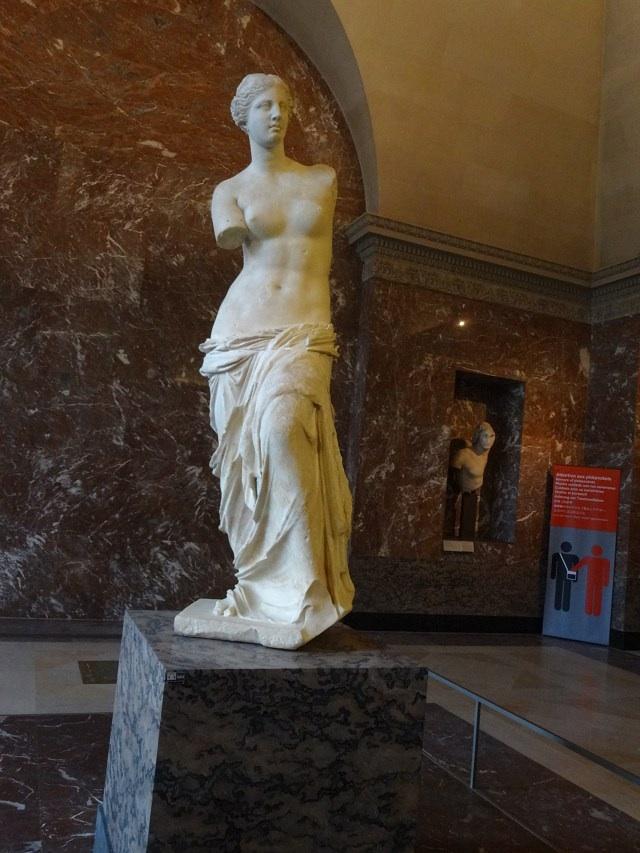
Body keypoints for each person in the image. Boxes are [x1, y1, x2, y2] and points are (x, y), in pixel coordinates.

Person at [183, 73, 354, 644]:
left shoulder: (321, 179)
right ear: (243, 116)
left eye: (283, 104)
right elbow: (230, 237)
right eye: (263, 106)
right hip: (241, 335)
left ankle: (305, 589)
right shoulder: (228, 191)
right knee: (246, 464)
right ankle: (268, 586)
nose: (276, 114)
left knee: (283, 430)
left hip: (303, 333)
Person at [451, 421, 495, 539]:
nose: (489, 440)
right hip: (464, 492)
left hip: (475, 494)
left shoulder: (485, 454)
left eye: (492, 436)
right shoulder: (463, 455)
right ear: (478, 436)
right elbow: (454, 475)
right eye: (485, 436)